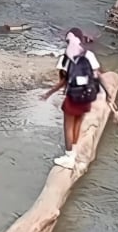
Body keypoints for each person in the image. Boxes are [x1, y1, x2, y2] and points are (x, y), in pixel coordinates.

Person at [40, 27, 113, 169]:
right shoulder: (89, 55)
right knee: (78, 123)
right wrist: (108, 94)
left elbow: (63, 81)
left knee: (68, 126)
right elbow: (98, 75)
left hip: (73, 96)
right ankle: (74, 150)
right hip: (87, 96)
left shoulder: (65, 57)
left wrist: (48, 93)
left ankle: (69, 157)